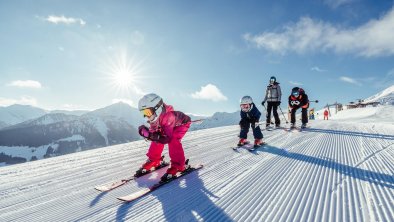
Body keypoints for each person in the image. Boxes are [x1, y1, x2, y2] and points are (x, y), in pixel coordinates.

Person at [137, 93, 191, 181]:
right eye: (143, 112)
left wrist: (151, 135)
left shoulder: (168, 116)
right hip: (167, 125)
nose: (146, 115)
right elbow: (154, 134)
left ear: (157, 108)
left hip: (181, 125)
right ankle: (154, 160)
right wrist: (148, 134)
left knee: (173, 140)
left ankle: (179, 166)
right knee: (157, 138)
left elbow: (166, 139)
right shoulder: (154, 117)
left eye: (147, 112)